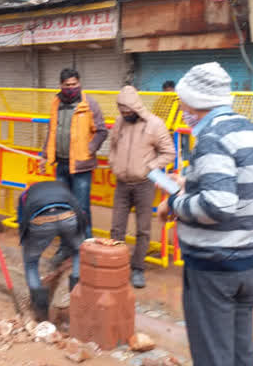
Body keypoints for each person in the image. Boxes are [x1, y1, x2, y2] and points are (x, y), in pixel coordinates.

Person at [157, 62, 253, 366]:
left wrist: (174, 204)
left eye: (182, 100)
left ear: (195, 100)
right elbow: (235, 187)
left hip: (214, 266)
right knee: (239, 354)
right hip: (246, 261)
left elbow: (218, 205)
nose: (180, 107)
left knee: (213, 357)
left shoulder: (212, 139)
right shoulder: (252, 131)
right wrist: (190, 183)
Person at [109, 86, 175, 289]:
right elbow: (112, 146)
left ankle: (138, 268)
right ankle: (115, 266)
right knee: (116, 228)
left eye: (127, 111)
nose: (124, 114)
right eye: (121, 110)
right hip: (122, 183)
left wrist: (150, 168)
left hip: (144, 185)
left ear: (135, 107)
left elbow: (169, 152)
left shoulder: (155, 124)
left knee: (143, 229)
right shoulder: (119, 123)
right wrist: (114, 164)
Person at [41, 68, 107, 241]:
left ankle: (86, 245)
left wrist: (89, 149)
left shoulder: (89, 104)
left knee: (81, 207)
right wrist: (45, 155)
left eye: (74, 84)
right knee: (63, 207)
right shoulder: (56, 102)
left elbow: (101, 131)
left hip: (81, 167)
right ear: (60, 85)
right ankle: (67, 245)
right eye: (67, 85)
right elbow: (52, 130)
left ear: (79, 83)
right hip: (61, 165)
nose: (71, 88)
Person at [17, 181, 86, 321]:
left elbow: (22, 221)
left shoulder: (25, 195)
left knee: (31, 262)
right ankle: (76, 293)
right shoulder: (63, 188)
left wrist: (28, 243)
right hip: (68, 216)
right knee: (79, 252)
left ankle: (41, 311)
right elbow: (80, 212)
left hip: (41, 219)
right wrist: (81, 239)